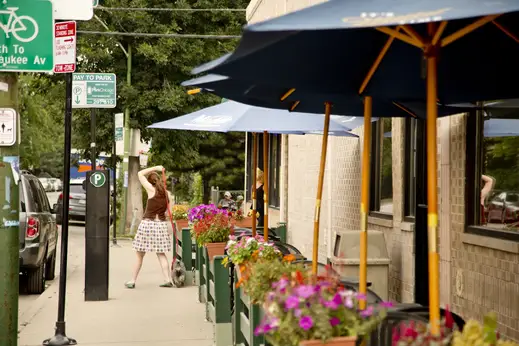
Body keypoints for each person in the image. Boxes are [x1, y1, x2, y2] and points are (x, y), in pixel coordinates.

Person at [125, 165, 173, 288]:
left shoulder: (151, 190)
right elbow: (169, 212)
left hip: (148, 224)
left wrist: (154, 168)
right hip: (161, 225)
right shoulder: (167, 194)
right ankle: (167, 279)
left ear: (150, 181)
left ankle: (132, 281)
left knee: (139, 255)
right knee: (161, 254)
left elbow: (140, 174)